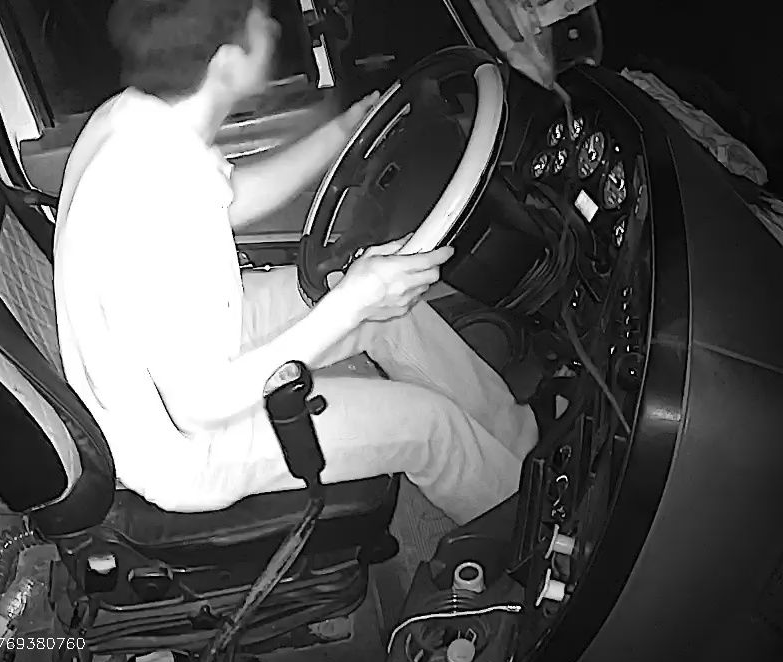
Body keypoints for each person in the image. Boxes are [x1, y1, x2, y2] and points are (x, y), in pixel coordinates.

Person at [52, 0, 538, 524]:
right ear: (228, 62)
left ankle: (525, 444)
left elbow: (229, 199)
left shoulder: (134, 117)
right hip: (184, 446)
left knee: (390, 311)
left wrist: (342, 133)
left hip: (184, 346)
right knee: (430, 427)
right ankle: (526, 522)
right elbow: (200, 407)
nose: (272, 24)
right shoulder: (158, 193)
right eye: (258, 21)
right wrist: (353, 302)